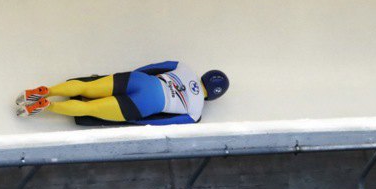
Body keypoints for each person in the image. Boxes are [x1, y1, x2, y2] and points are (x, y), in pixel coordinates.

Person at [16, 61, 228, 125]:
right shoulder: (196, 112)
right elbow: (165, 122)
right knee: (88, 108)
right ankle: (47, 106)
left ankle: (47, 91)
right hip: (143, 105)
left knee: (87, 87)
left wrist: (135, 75)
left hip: (139, 81)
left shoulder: (185, 67)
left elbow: (156, 66)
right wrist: (139, 122)